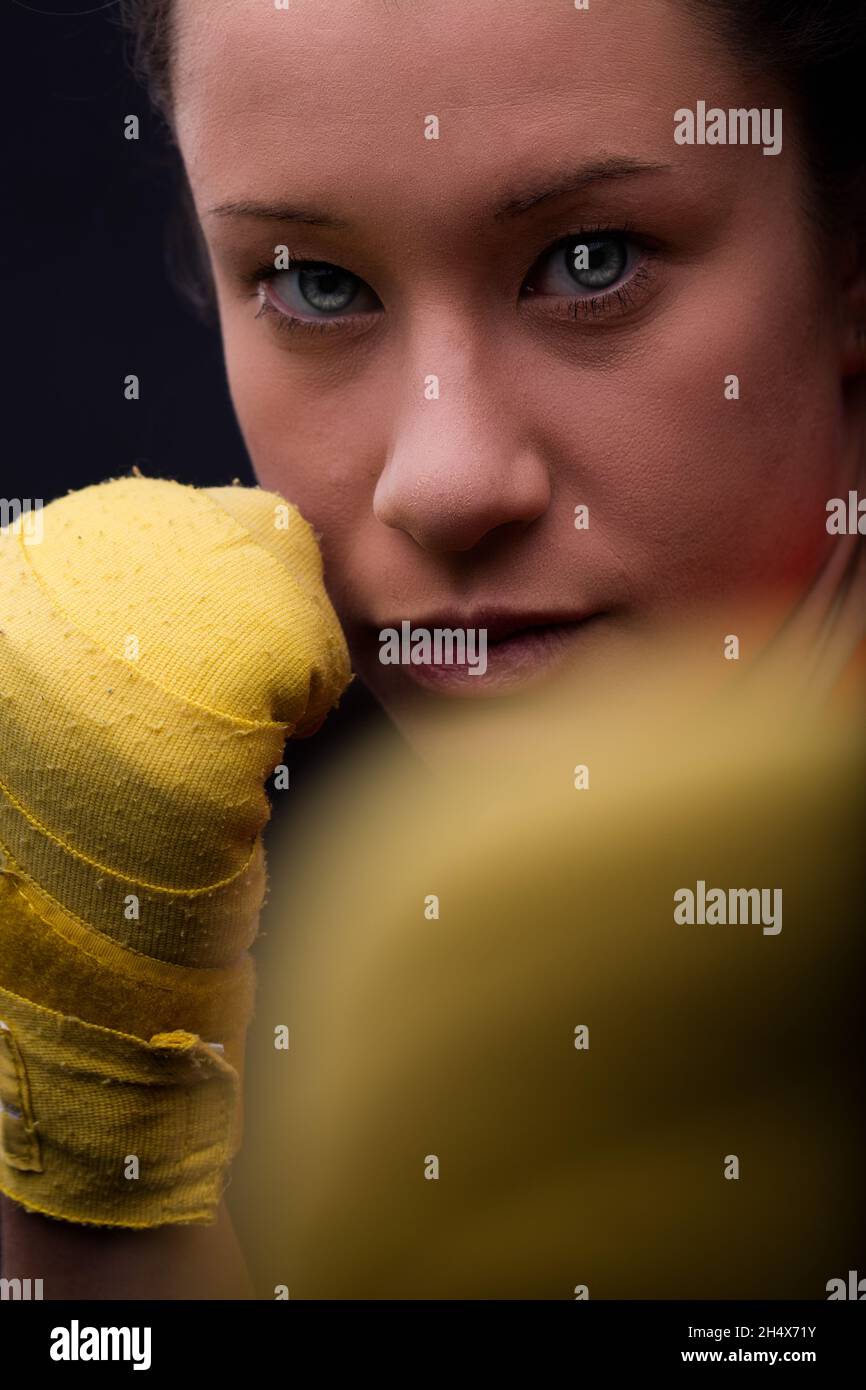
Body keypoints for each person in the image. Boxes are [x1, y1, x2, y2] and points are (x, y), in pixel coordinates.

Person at [1, 0, 864, 1298]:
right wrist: (91, 1152)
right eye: (315, 283)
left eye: (590, 259)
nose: (444, 480)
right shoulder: (262, 891)